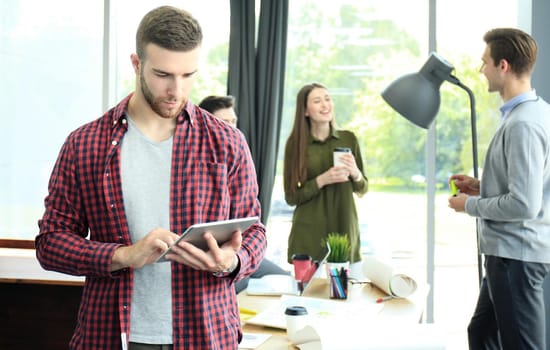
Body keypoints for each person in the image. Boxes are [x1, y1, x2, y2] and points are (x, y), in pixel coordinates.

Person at [35, 6, 266, 350]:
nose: (177, 89)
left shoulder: (228, 142)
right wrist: (123, 255)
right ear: (136, 64)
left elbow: (255, 233)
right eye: (163, 74)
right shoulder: (85, 145)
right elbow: (50, 243)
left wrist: (232, 261)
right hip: (112, 336)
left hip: (206, 334)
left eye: (188, 75)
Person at [449, 28, 550, 350]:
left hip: (515, 256)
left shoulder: (524, 124)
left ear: (503, 66)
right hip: (505, 254)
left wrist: (469, 205)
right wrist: (481, 187)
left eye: (485, 62)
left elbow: (524, 203)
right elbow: (529, 184)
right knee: (481, 334)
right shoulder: (529, 114)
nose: (481, 70)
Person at [198, 95, 291, 293]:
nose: (232, 129)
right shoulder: (197, 163)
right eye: (225, 123)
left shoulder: (239, 155)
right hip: (211, 258)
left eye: (234, 122)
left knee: (285, 280)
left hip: (239, 251)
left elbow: (252, 223)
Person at [283, 82, 368, 275]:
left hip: (344, 229)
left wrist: (355, 172)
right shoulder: (295, 145)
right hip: (308, 236)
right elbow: (291, 197)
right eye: (317, 101)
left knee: (345, 297)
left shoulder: (349, 139)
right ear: (305, 110)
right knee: (308, 300)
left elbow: (363, 189)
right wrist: (322, 180)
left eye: (328, 99)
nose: (325, 105)